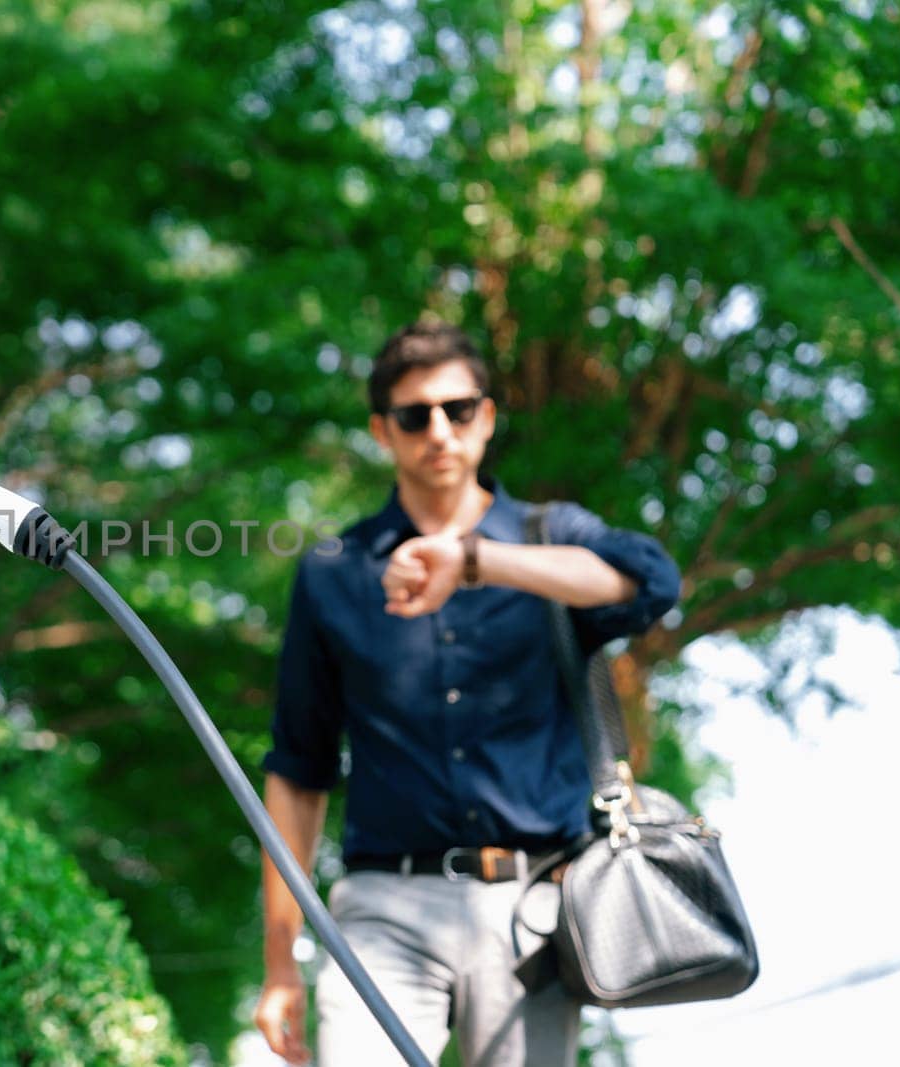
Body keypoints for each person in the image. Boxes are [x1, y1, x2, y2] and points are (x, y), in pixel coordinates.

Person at [253, 322, 681, 1066]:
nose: (439, 431)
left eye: (458, 409)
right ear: (382, 431)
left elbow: (653, 584)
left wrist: (479, 560)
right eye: (415, 415)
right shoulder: (333, 571)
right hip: (383, 908)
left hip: (535, 908)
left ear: (485, 417)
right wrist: (280, 961)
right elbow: (298, 771)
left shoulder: (553, 535)